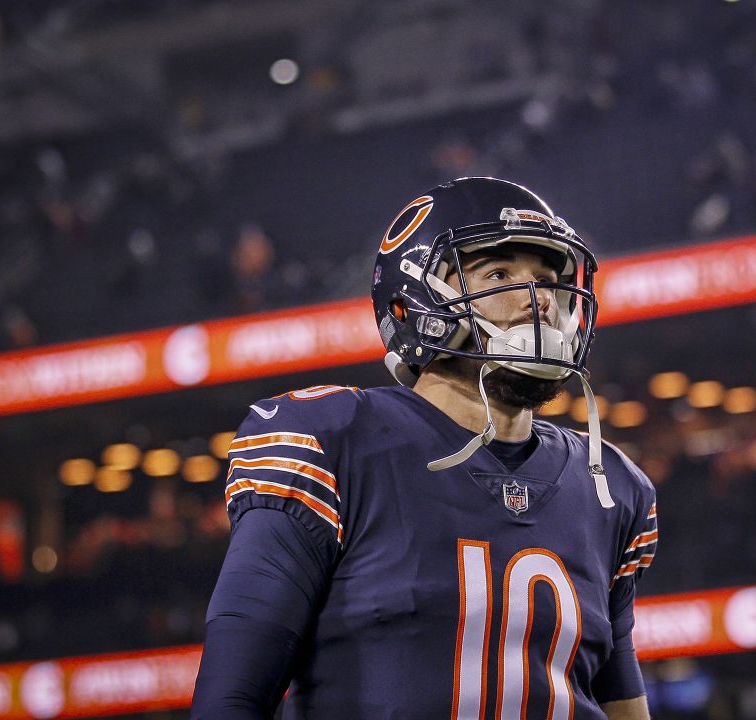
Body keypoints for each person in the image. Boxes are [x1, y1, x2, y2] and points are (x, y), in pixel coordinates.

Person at [192, 177, 658, 719]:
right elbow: (231, 700)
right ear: (415, 299)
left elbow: (622, 703)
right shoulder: (332, 442)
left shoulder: (612, 487)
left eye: (549, 280)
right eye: (500, 273)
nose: (541, 303)